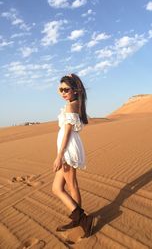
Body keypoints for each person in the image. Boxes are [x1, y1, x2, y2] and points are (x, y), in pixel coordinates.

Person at [52, 73, 94, 238]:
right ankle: (79, 217)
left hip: (67, 149)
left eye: (66, 90)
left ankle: (82, 219)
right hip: (68, 147)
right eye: (61, 89)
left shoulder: (71, 106)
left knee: (70, 185)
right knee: (58, 187)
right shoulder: (75, 103)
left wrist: (59, 155)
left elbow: (68, 132)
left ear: (75, 91)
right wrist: (72, 79)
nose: (62, 92)